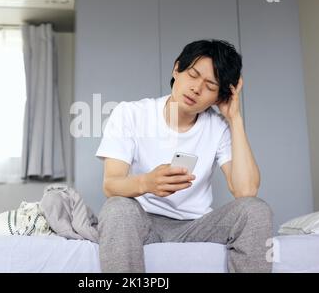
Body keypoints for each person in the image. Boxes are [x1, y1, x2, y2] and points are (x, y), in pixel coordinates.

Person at [95, 39, 273, 273]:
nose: (196, 89)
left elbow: (246, 191)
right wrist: (146, 182)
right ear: (176, 69)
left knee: (255, 209)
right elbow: (111, 185)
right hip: (143, 223)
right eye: (192, 75)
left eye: (210, 86)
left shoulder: (218, 127)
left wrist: (234, 119)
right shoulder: (130, 114)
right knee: (116, 207)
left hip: (197, 226)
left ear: (219, 97)